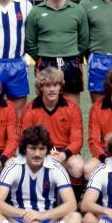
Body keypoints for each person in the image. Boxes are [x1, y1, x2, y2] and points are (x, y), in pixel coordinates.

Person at [0, 125, 82, 223]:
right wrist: (26, 215)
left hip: (48, 220)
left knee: (76, 218)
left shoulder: (56, 167)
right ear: (24, 149)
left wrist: (41, 216)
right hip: (19, 220)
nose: (37, 154)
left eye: (42, 149)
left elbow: (71, 204)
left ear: (47, 150)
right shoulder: (12, 167)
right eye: (32, 148)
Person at [25, 0, 89, 105]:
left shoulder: (78, 10)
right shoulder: (36, 12)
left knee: (72, 106)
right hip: (46, 63)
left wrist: (74, 55)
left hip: (71, 62)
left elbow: (84, 40)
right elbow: (29, 42)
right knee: (46, 106)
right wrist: (42, 57)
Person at [21, 67, 85, 196]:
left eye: (55, 85)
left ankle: (74, 200)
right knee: (21, 162)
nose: (51, 89)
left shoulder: (71, 107)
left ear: (61, 87)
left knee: (77, 166)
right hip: (39, 150)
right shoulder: (30, 108)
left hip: (65, 153)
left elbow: (77, 140)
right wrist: (46, 152)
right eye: (47, 85)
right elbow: (25, 138)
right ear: (41, 88)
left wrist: (63, 155)